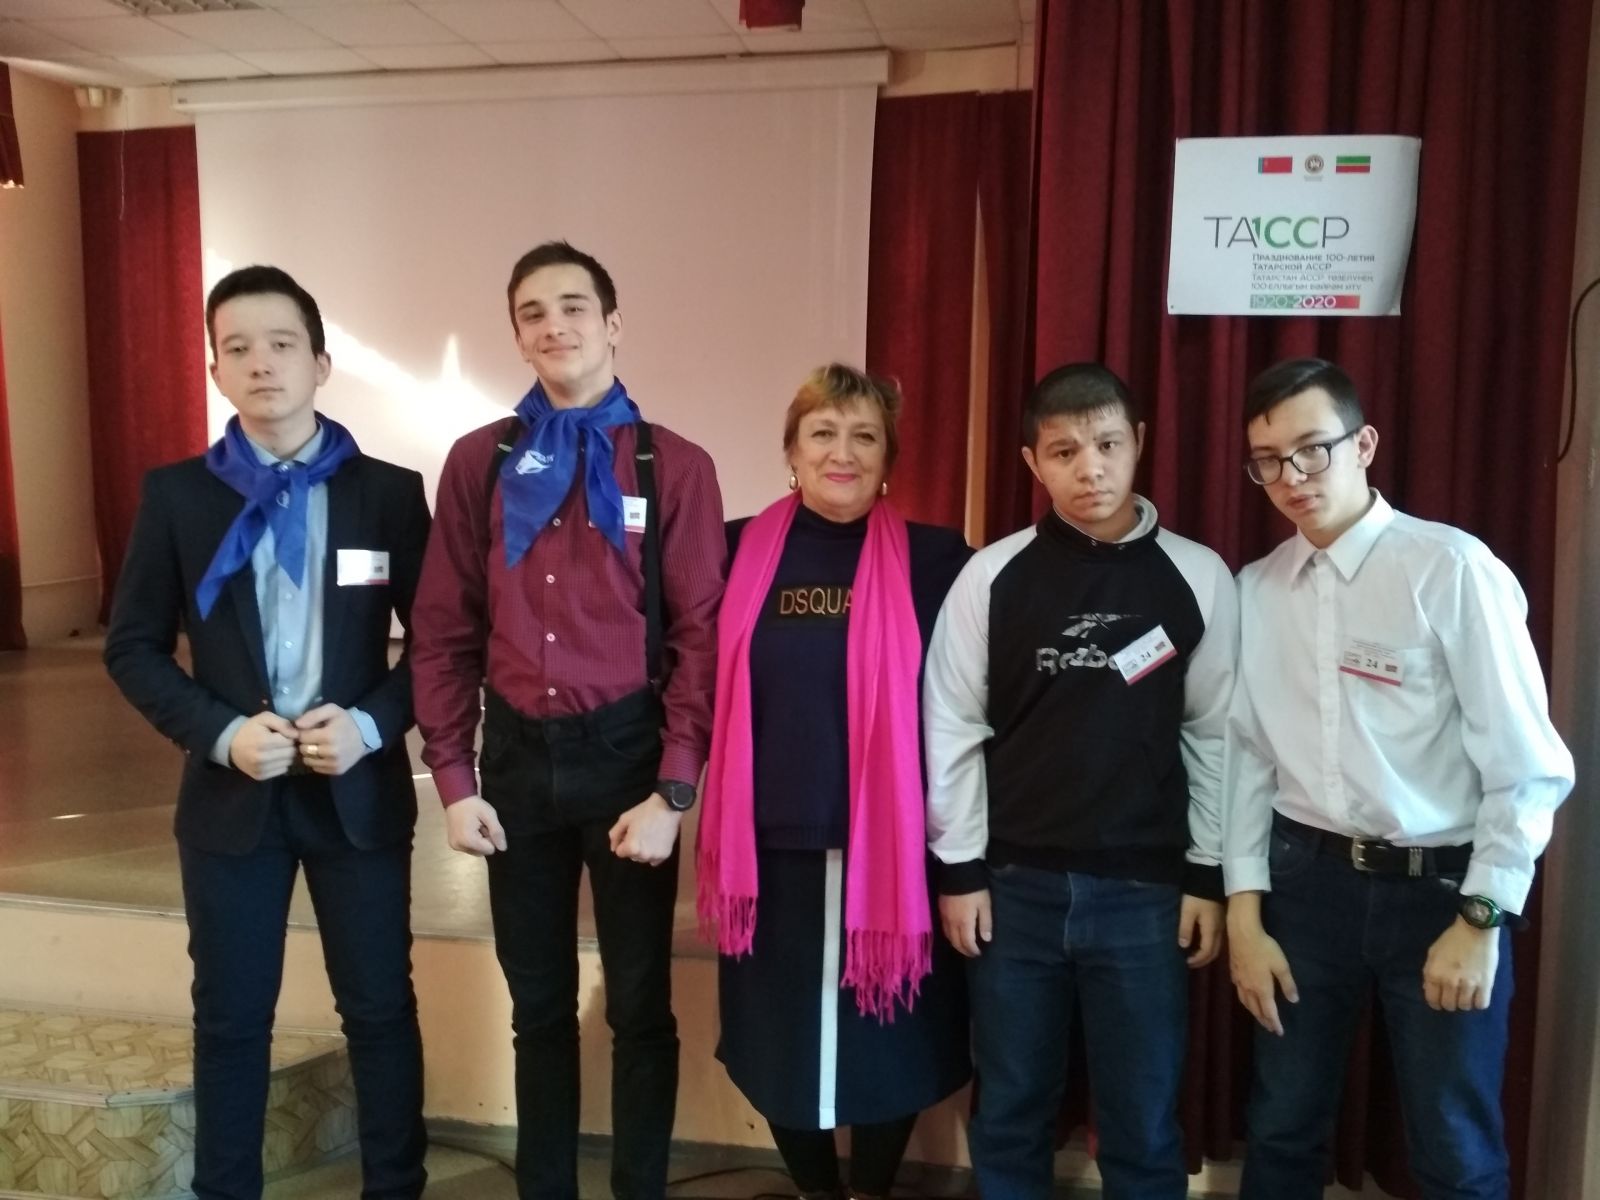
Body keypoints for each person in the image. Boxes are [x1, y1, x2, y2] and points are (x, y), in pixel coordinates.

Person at [104, 266, 431, 1200]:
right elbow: (131, 648)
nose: (261, 363)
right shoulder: (179, 496)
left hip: (355, 794)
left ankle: (396, 1188)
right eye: (237, 348)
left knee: (379, 1009)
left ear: (321, 363)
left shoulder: (388, 494)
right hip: (230, 799)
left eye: (282, 344)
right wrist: (220, 734)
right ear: (215, 370)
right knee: (232, 1020)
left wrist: (370, 724)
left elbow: (445, 648)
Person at [410, 241, 725, 1200]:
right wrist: (453, 781)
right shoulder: (481, 462)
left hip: (628, 762)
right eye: (533, 313)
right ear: (517, 335)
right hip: (515, 762)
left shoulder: (672, 464)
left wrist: (674, 791)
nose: (555, 326)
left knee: (640, 1006)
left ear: (613, 323)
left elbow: (701, 638)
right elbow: (443, 627)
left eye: (574, 307)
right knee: (538, 1008)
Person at [1222, 357, 1575, 1200]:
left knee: (1454, 1147)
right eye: (1269, 460)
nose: (1292, 477)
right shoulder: (1256, 590)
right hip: (1304, 889)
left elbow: (1527, 766)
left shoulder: (1451, 570)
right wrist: (1244, 912)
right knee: (1281, 1128)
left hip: (1439, 893)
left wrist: (1482, 915)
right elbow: (1247, 758)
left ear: (1364, 444)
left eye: (1313, 449)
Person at [923, 363, 1237, 1199]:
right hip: (1012, 890)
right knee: (1010, 1110)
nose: (1089, 468)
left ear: (1139, 443)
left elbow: (1216, 736)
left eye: (1106, 444)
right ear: (1033, 463)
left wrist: (1208, 874)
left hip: (1147, 894)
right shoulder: (992, 576)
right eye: (1064, 451)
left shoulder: (1199, 575)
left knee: (1142, 1121)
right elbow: (951, 726)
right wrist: (959, 870)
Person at [698, 364, 972, 1200]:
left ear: (889, 458)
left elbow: (970, 705)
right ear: (792, 450)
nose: (842, 453)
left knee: (892, 1045)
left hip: (893, 851)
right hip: (768, 846)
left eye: (864, 436)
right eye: (823, 433)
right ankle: (818, 1191)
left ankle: (873, 1190)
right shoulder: (730, 550)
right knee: (779, 1046)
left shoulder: (939, 561)